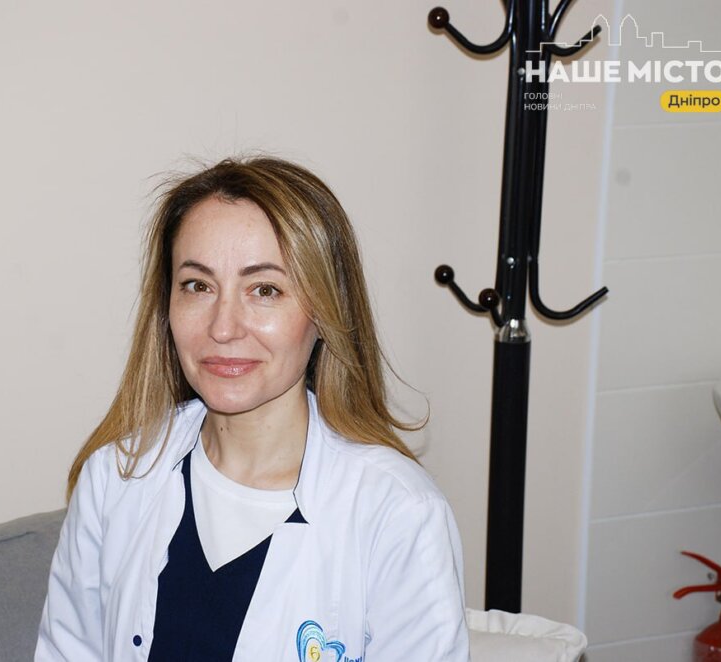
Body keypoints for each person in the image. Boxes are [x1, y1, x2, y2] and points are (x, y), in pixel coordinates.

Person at [35, 155, 470, 661]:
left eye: (265, 290)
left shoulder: (399, 514)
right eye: (198, 286)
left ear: (326, 312)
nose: (223, 328)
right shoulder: (114, 478)